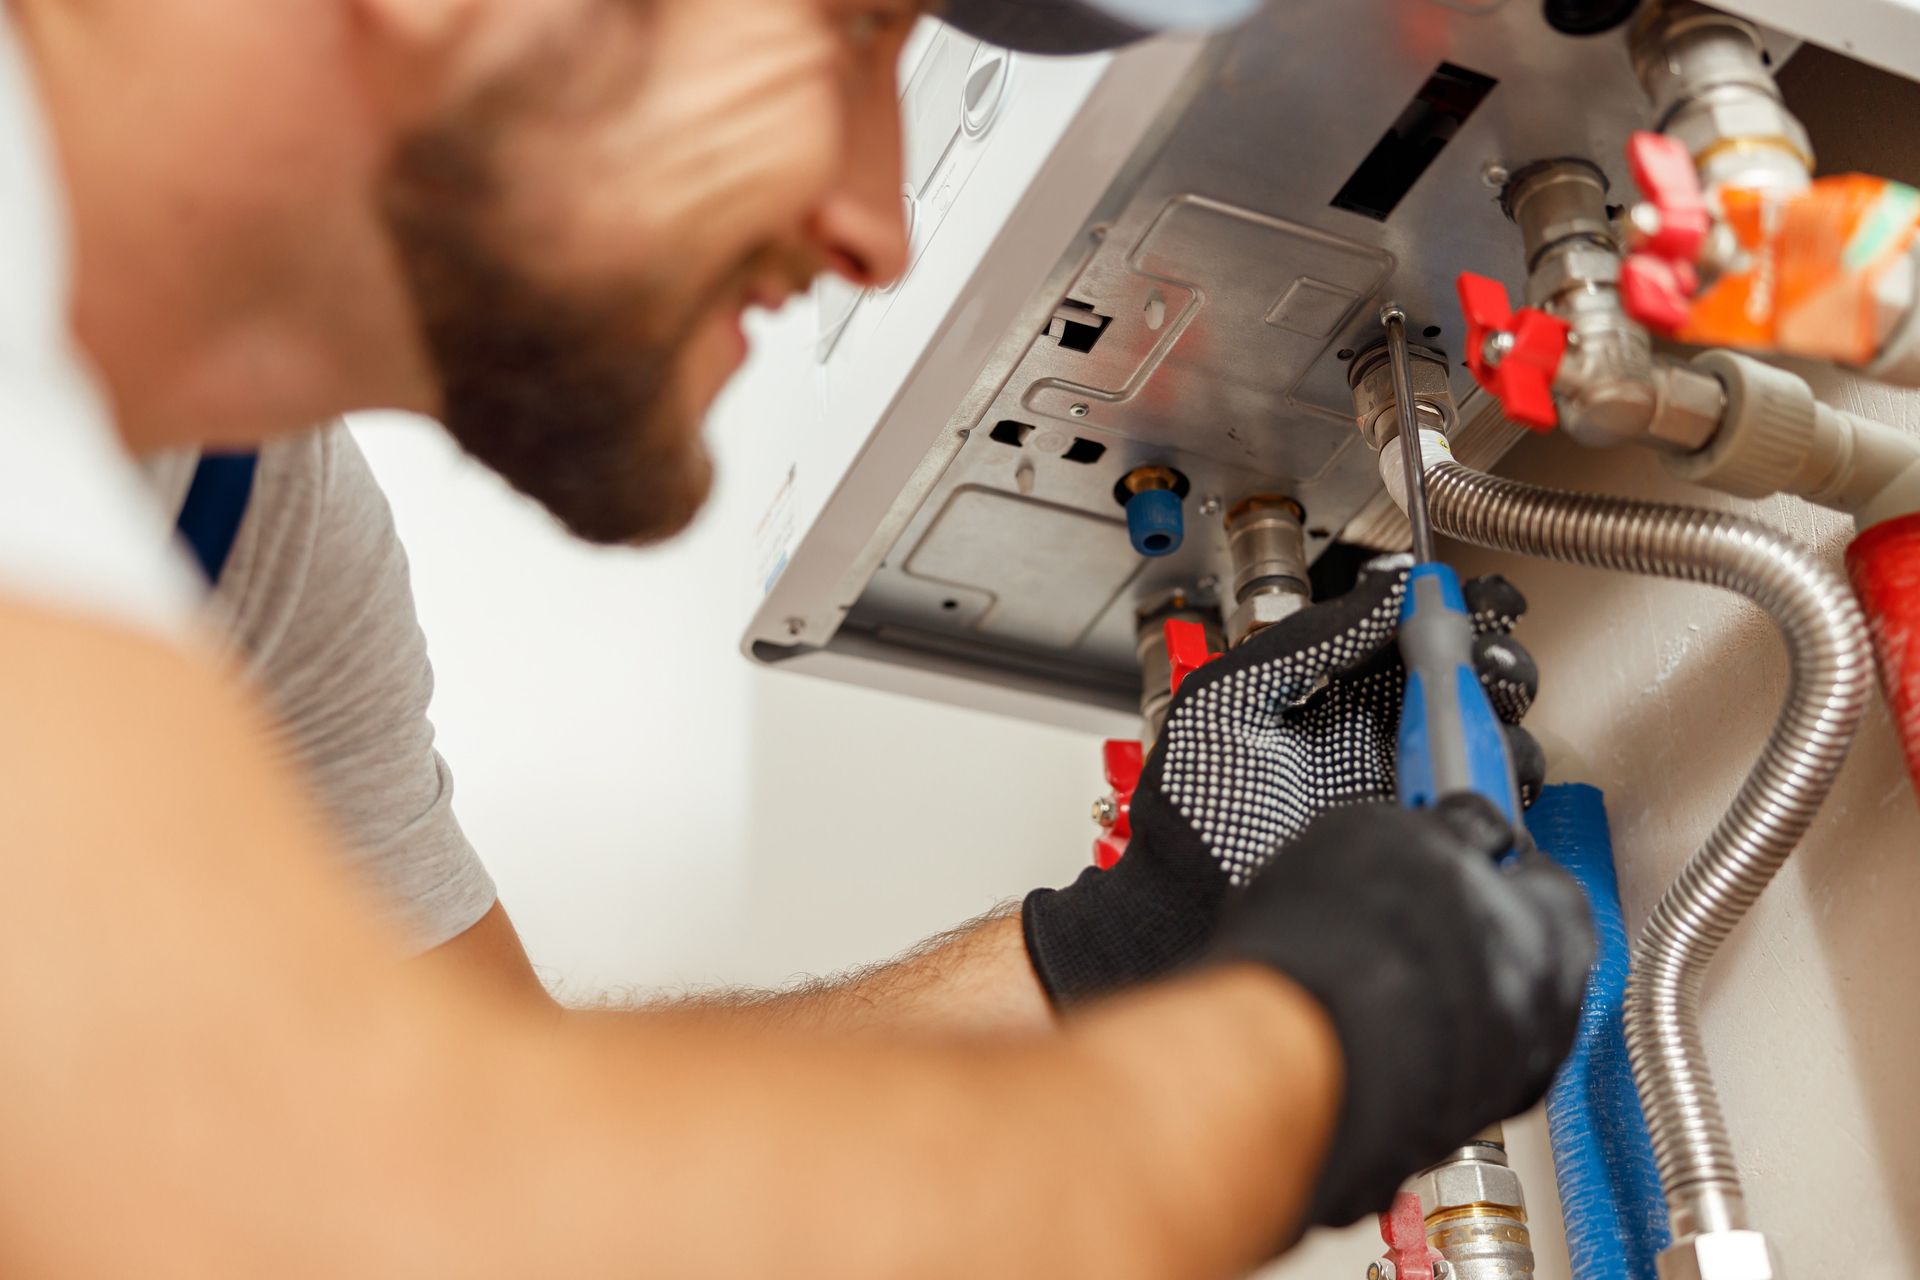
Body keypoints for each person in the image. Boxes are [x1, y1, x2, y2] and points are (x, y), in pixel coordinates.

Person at [0, 0, 1595, 1273]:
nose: (875, 223)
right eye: (851, 34)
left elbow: (542, 1191)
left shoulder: (251, 535)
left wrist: (1139, 941)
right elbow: (359, 1223)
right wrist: (1320, 1040)